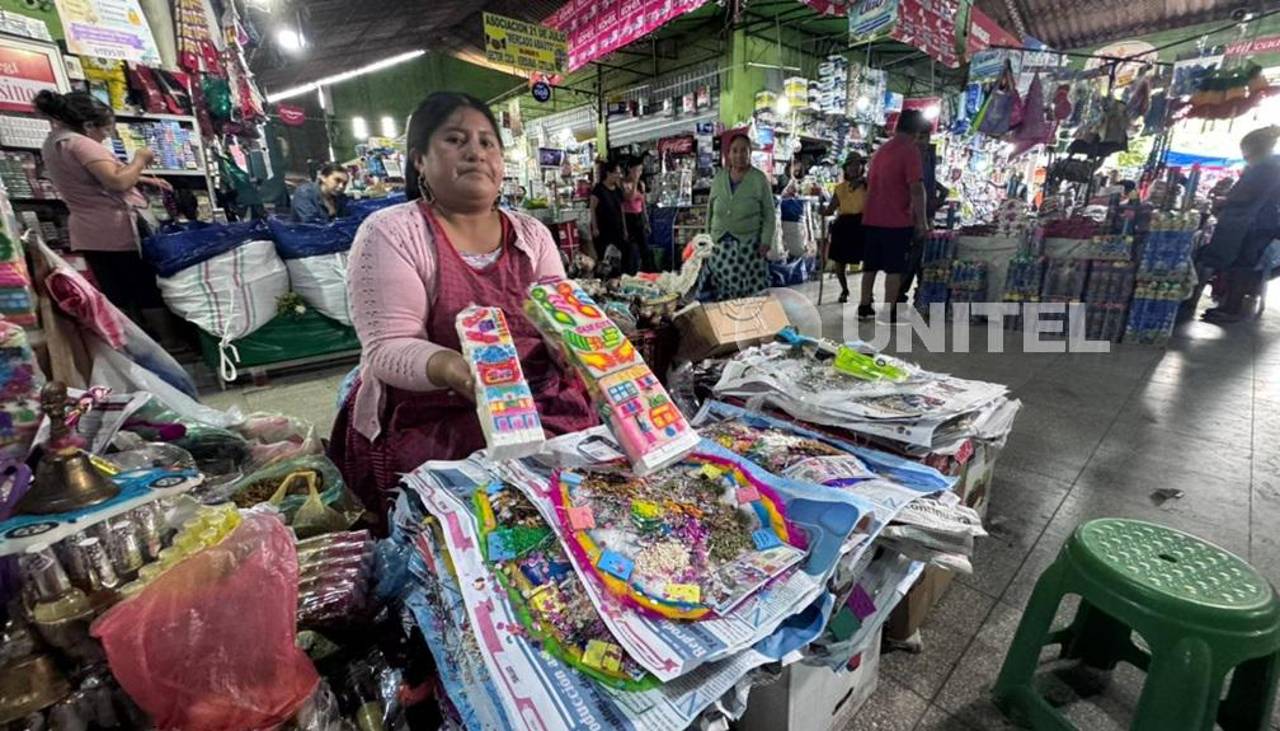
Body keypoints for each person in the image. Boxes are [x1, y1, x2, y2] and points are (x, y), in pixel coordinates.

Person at [328, 92, 598, 520]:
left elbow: (557, 314)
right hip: (436, 417)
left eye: (487, 142)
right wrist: (455, 369)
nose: (476, 152)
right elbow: (388, 347)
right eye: (455, 140)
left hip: (541, 405)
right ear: (419, 159)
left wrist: (576, 346)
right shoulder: (392, 232)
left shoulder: (532, 234)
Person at [34, 90, 172, 324]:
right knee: (143, 287)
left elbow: (88, 178)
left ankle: (132, 345)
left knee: (116, 292)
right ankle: (171, 343)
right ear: (88, 125)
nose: (106, 137)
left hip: (88, 232)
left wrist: (145, 179)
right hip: (114, 229)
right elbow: (117, 181)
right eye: (106, 130)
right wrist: (140, 159)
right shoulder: (82, 144)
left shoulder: (54, 142)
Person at [1197, 125, 1280, 322]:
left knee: (1240, 265)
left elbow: (1245, 195)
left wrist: (1223, 200)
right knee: (1242, 264)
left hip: (1252, 223)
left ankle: (1231, 308)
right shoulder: (1271, 165)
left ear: (1252, 148)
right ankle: (1230, 305)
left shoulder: (1265, 167)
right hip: (1260, 221)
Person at [860, 109, 929, 320]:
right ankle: (889, 311)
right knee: (894, 268)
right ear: (916, 130)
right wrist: (922, 222)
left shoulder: (881, 150)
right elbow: (916, 188)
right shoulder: (910, 151)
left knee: (870, 266)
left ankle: (864, 306)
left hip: (871, 217)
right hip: (896, 220)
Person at [707, 132, 775, 299]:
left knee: (749, 295)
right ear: (728, 154)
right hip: (719, 247)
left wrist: (766, 241)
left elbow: (769, 214)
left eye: (744, 150)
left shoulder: (759, 179)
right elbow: (710, 210)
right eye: (735, 151)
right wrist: (707, 239)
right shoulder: (719, 177)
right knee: (722, 294)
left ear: (750, 153)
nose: (739, 155)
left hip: (749, 248)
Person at [821, 153, 867, 304]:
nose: (854, 167)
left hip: (862, 224)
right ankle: (844, 290)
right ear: (846, 168)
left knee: (867, 261)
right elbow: (831, 208)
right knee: (840, 262)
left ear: (862, 167)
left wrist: (862, 181)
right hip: (844, 225)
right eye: (851, 165)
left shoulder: (868, 184)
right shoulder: (840, 188)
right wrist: (823, 210)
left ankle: (868, 294)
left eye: (857, 164)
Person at [591, 159, 632, 275]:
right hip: (603, 229)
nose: (619, 176)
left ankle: (618, 277)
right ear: (609, 173)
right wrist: (594, 227)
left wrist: (625, 229)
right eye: (617, 173)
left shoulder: (617, 190)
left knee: (622, 254)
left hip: (617, 228)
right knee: (604, 257)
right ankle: (602, 279)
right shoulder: (598, 189)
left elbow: (622, 209)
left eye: (619, 173)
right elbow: (592, 209)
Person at [621, 158, 651, 272]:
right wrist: (634, 182)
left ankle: (648, 272)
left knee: (645, 248)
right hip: (628, 217)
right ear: (630, 169)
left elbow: (643, 203)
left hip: (639, 217)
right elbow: (629, 197)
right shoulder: (623, 183)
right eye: (637, 170)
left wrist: (646, 221)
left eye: (641, 170)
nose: (639, 172)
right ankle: (630, 272)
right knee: (631, 249)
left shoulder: (641, 184)